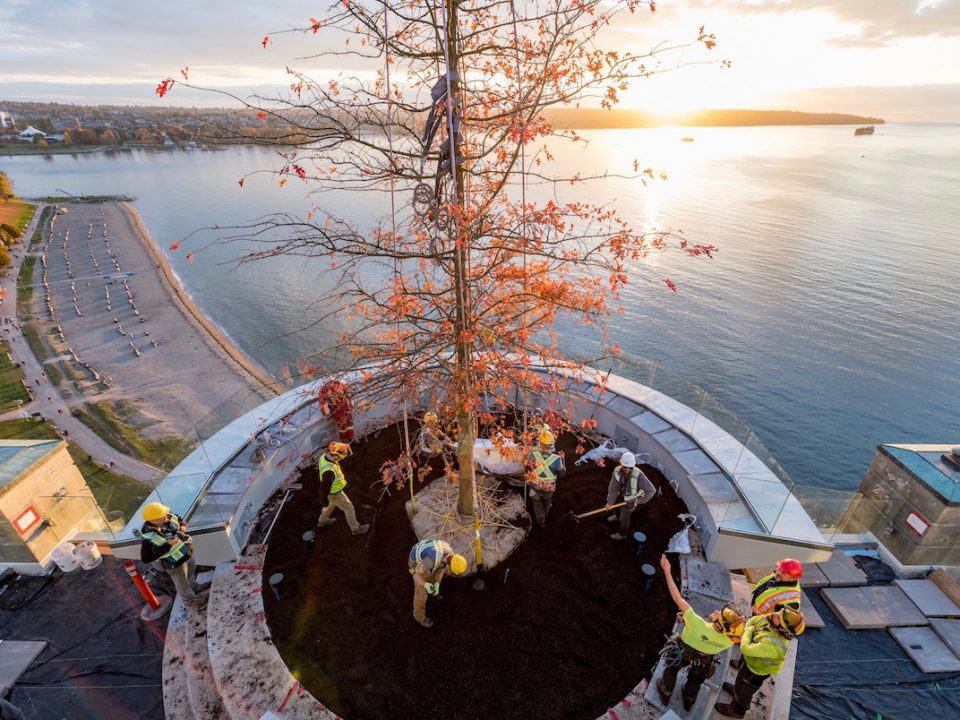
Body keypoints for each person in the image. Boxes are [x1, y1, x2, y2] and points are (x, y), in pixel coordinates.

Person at [656, 555, 744, 711]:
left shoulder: (698, 623)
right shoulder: (730, 639)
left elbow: (677, 598)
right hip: (704, 659)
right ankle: (689, 699)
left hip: (683, 650)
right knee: (696, 678)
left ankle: (665, 690)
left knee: (672, 669)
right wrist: (688, 622)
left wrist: (668, 572)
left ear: (719, 621)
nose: (716, 612)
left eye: (719, 613)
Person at [715, 607, 805, 718]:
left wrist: (749, 630)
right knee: (740, 682)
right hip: (751, 662)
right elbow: (753, 620)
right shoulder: (771, 621)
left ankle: (737, 710)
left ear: (782, 628)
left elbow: (745, 648)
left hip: (755, 673)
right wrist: (751, 628)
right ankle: (736, 690)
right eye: (779, 612)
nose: (775, 613)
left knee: (745, 691)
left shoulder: (774, 645)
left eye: (779, 617)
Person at [139, 502, 208, 601]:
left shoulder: (168, 516)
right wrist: (167, 545)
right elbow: (146, 558)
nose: (166, 516)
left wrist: (183, 525)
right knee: (182, 582)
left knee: (190, 571)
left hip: (186, 553)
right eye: (162, 515)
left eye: (165, 513)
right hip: (174, 563)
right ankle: (190, 600)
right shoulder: (148, 537)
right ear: (152, 520)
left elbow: (179, 519)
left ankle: (194, 588)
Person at [408, 538, 467, 628]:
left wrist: (437, 584)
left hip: (430, 559)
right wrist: (425, 585)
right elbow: (416, 576)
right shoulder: (431, 560)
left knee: (432, 572)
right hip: (417, 562)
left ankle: (431, 589)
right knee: (421, 593)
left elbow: (441, 568)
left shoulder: (450, 555)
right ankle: (419, 617)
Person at [316, 442, 369, 535]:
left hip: (330, 494)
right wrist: (323, 502)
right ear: (336, 456)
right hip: (335, 493)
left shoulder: (324, 456)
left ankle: (322, 521)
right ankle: (356, 529)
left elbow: (348, 453)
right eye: (341, 458)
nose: (342, 459)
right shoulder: (329, 472)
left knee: (330, 506)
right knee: (349, 508)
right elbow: (323, 490)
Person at [604, 451, 656, 540]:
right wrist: (610, 502)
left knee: (624, 518)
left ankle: (622, 534)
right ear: (621, 464)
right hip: (621, 494)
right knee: (617, 507)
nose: (627, 469)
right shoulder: (617, 471)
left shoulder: (639, 475)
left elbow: (651, 490)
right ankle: (616, 516)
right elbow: (613, 487)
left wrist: (639, 500)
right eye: (625, 467)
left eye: (630, 467)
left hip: (631, 500)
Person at [526, 429, 565, 528]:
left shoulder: (532, 456)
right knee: (547, 502)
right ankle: (546, 515)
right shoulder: (557, 459)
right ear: (552, 445)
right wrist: (562, 460)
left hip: (535, 487)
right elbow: (562, 474)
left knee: (537, 503)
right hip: (548, 489)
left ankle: (541, 523)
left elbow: (527, 469)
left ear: (540, 443)